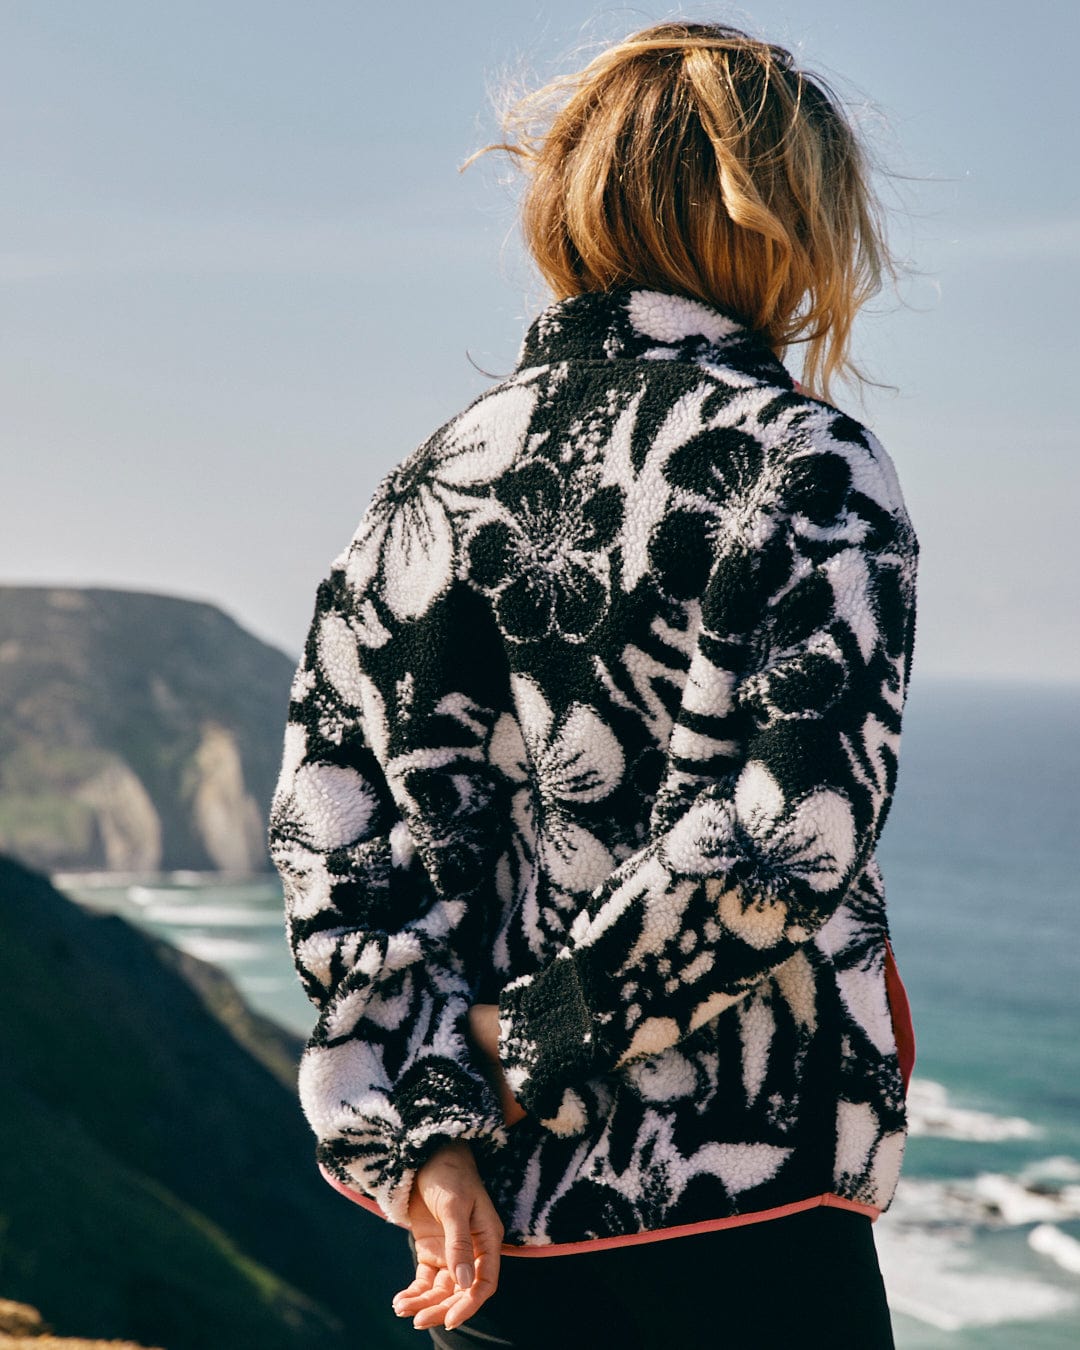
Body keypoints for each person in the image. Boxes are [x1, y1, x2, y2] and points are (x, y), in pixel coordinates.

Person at [268, 19, 919, 1348]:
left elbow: (329, 830)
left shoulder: (427, 484)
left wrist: (425, 1121)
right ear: (791, 221)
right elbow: (781, 844)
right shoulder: (806, 461)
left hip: (496, 1237)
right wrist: (529, 1044)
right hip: (749, 1215)